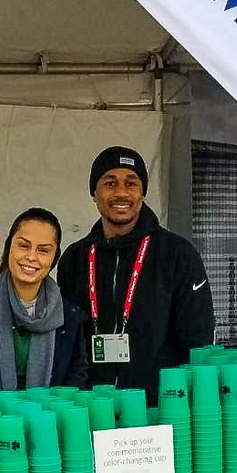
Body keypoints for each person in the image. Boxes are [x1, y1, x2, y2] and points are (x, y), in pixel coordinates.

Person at [57, 146, 214, 401]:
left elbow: (198, 342)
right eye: (110, 183)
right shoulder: (74, 259)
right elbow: (66, 343)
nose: (121, 192)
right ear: (94, 193)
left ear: (142, 194)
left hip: (160, 408)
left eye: (131, 183)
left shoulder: (177, 254)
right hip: (92, 408)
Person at [0, 207, 87, 405]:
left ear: (54, 258)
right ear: (9, 246)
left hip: (50, 427)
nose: (32, 257)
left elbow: (77, 380)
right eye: (24, 246)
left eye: (43, 250)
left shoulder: (69, 315)